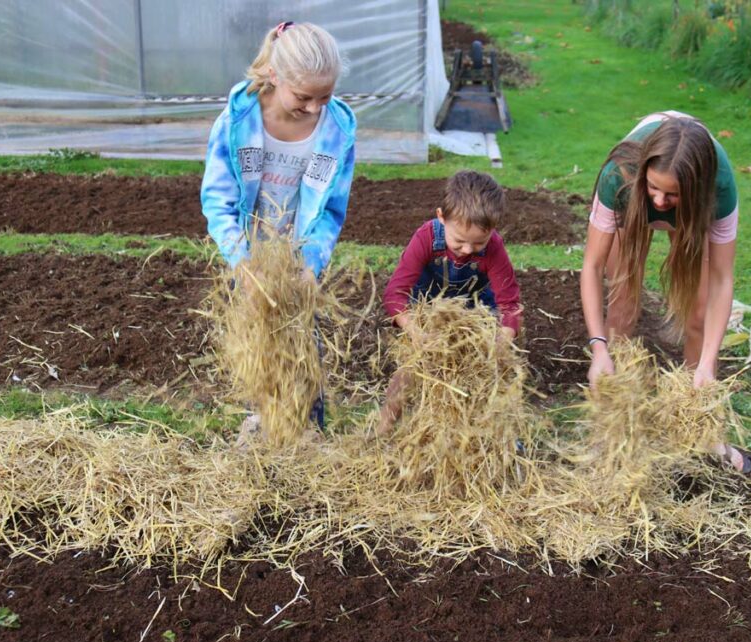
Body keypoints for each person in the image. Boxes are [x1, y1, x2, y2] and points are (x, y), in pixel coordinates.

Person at [201, 20, 356, 439]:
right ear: (274, 75)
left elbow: (330, 211)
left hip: (296, 261)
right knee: (260, 347)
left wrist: (310, 267)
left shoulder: (336, 132)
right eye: (303, 97)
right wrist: (243, 264)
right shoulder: (237, 123)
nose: (314, 107)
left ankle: (310, 433)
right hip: (251, 262)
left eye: (325, 96)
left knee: (304, 347)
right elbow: (218, 201)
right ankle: (263, 428)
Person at [579, 111, 751, 472]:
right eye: (653, 188)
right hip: (631, 200)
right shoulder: (620, 175)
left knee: (698, 313)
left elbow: (722, 278)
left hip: (693, 211)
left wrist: (708, 362)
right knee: (623, 304)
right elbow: (593, 267)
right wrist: (598, 348)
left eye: (670, 194)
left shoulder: (719, 188)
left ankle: (702, 425)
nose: (658, 200)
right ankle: (612, 424)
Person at [378, 170, 522, 433]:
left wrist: (499, 341)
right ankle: (383, 427)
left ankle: (491, 435)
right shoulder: (426, 238)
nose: (467, 250)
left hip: (473, 312)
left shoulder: (495, 248)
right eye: (459, 241)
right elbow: (395, 294)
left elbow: (510, 304)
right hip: (429, 309)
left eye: (479, 243)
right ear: (441, 217)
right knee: (411, 368)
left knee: (486, 375)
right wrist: (416, 332)